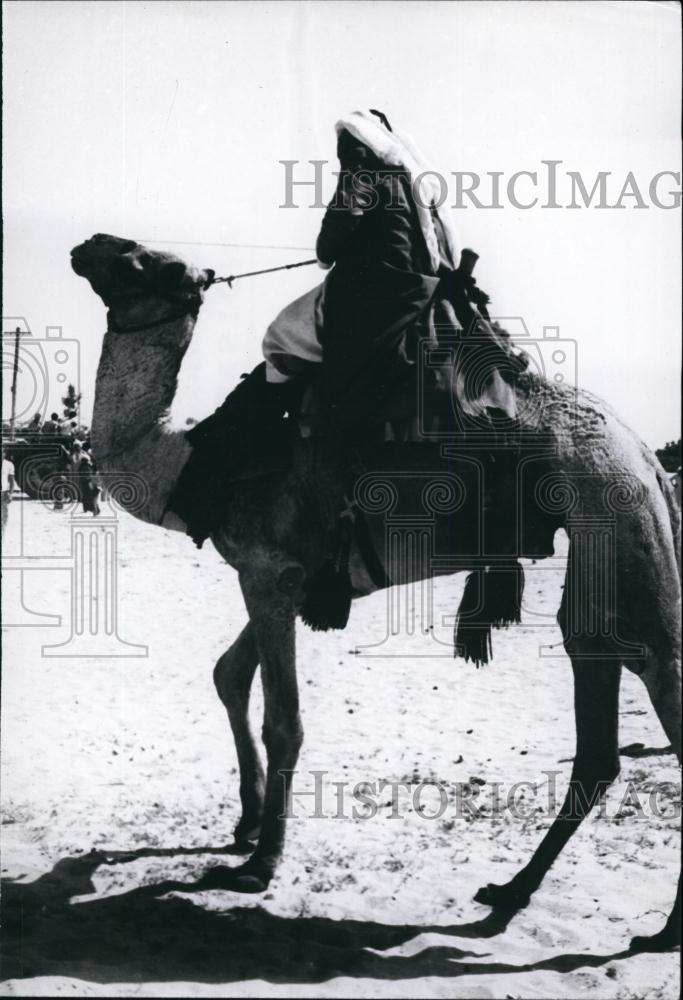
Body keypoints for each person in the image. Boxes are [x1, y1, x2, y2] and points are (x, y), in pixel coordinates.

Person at [2, 446, 16, 537]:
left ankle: (2, 532)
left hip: (3, 493)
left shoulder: (9, 464)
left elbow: (11, 481)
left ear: (4, 454)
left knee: (4, 515)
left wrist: (10, 493)